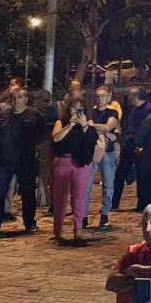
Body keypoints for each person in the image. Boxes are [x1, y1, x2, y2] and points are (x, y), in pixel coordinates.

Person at [0, 93, 41, 234]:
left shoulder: (34, 115)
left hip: (26, 160)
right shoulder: (2, 116)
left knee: (28, 193)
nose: (17, 100)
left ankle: (30, 223)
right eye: (14, 98)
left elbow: (43, 135)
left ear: (26, 99)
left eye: (20, 97)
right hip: (5, 160)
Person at [51, 99, 100, 245]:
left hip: (80, 164)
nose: (76, 111)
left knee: (79, 197)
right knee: (60, 198)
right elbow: (56, 138)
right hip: (62, 162)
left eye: (80, 108)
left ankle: (78, 229)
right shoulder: (61, 122)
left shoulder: (88, 124)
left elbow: (92, 140)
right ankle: (58, 230)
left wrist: (84, 126)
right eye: (73, 108)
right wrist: (70, 125)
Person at [88, 85, 123, 228]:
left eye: (103, 96)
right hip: (91, 151)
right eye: (98, 96)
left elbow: (108, 127)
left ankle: (104, 214)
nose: (100, 98)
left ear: (109, 97)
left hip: (108, 152)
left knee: (108, 185)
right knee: (87, 184)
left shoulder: (112, 112)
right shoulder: (90, 111)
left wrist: (91, 126)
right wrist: (102, 131)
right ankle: (84, 215)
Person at [113, 86, 151, 210]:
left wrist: (143, 145)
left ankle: (142, 204)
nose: (128, 97)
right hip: (129, 144)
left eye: (130, 95)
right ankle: (114, 203)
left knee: (141, 175)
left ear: (136, 96)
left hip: (140, 145)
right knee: (120, 174)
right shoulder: (133, 108)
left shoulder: (148, 109)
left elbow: (147, 129)